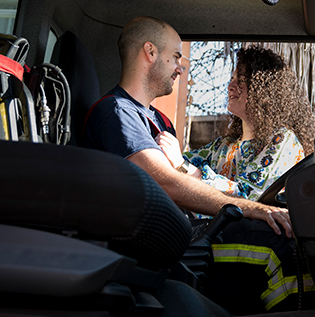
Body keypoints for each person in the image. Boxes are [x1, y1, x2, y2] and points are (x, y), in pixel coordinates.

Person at [82, 16, 292, 236]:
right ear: (150, 52)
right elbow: (167, 182)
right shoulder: (118, 111)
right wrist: (251, 208)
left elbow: (181, 178)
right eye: (175, 57)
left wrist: (183, 166)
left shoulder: (161, 121)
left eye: (239, 81)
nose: (180, 69)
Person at [179, 46, 315, 202]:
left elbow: (248, 196)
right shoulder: (223, 147)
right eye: (232, 79)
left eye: (242, 81)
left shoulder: (283, 142)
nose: (231, 86)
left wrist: (187, 169)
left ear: (264, 91)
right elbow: (175, 165)